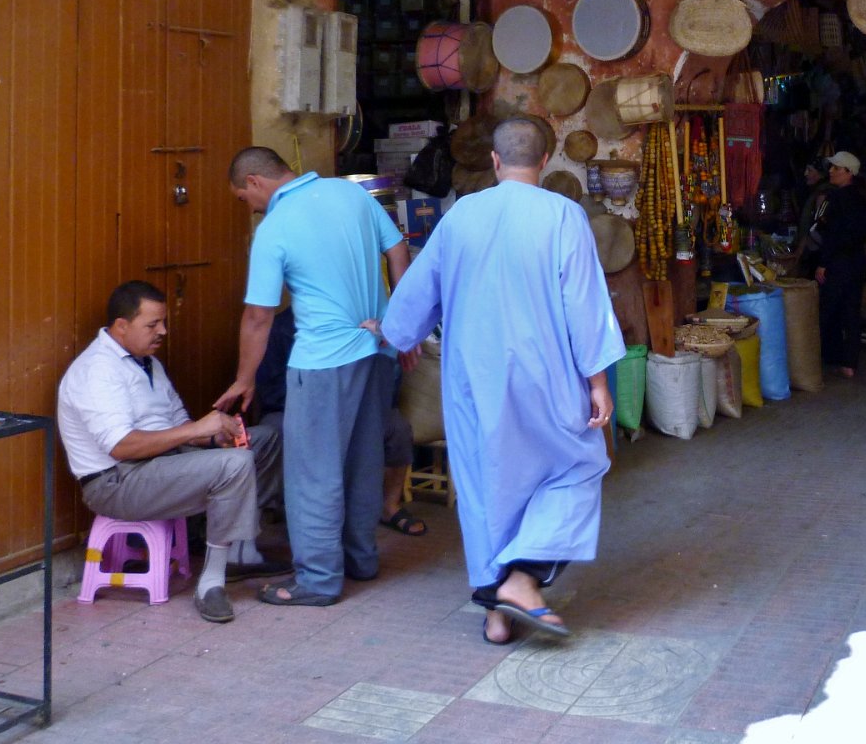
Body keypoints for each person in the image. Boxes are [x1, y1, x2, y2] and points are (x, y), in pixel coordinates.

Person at [378, 118, 623, 645]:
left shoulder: (462, 215)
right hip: (547, 375)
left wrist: (395, 333)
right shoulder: (564, 214)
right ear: (545, 160)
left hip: (474, 381)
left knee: (487, 489)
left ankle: (496, 610)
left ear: (493, 160)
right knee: (579, 466)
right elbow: (584, 305)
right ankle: (522, 581)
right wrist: (597, 380)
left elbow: (417, 297)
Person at [219, 147, 409, 608]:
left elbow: (259, 316)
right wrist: (402, 321)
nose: (249, 205)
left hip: (323, 362)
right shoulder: (351, 194)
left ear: (257, 182)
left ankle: (319, 581)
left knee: (312, 474)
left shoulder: (275, 228)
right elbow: (399, 248)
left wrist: (245, 379)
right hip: (377, 350)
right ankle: (360, 560)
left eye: (243, 197)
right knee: (363, 461)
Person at [57, 280, 289, 624]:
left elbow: (178, 423)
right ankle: (211, 582)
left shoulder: (147, 362)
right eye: (152, 325)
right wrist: (198, 430)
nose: (162, 331)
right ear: (121, 326)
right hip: (117, 482)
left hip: (162, 464)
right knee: (234, 464)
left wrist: (213, 438)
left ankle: (239, 549)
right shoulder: (97, 370)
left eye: (163, 322)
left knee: (268, 439)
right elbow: (122, 446)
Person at [252, 306, 426, 538]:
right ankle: (290, 511)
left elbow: (385, 391)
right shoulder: (281, 327)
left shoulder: (356, 323)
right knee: (276, 431)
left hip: (352, 408)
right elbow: (271, 392)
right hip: (293, 409)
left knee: (397, 427)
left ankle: (389, 505)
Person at [812, 151, 866, 378]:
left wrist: (823, 263)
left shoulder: (836, 198)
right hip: (856, 262)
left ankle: (819, 359)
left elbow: (833, 234)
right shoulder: (860, 197)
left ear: (848, 173)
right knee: (851, 311)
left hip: (839, 262)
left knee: (828, 311)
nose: (831, 172)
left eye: (836, 168)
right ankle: (849, 363)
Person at [788, 158, 831, 277]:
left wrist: (800, 250)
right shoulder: (816, 191)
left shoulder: (823, 194)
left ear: (820, 174)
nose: (805, 173)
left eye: (810, 170)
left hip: (817, 253)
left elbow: (817, 227)